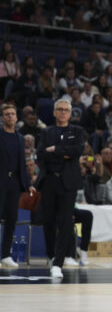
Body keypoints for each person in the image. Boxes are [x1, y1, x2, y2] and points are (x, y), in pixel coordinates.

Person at [36, 99, 86, 278]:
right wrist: (63, 154)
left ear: (70, 113)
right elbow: (40, 154)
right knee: (48, 221)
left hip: (67, 183)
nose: (63, 112)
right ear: (55, 112)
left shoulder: (77, 131)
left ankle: (59, 261)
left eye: (66, 110)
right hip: (49, 181)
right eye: (60, 110)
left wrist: (55, 149)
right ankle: (51, 255)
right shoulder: (46, 131)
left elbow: (77, 151)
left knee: (65, 223)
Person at [0, 103, 34, 267]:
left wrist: (28, 185)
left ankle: (6, 255)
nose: (10, 116)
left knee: (11, 219)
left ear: (16, 117)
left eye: (12, 114)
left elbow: (24, 163)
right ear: (2, 118)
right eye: (7, 114)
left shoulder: (21, 138)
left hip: (14, 183)